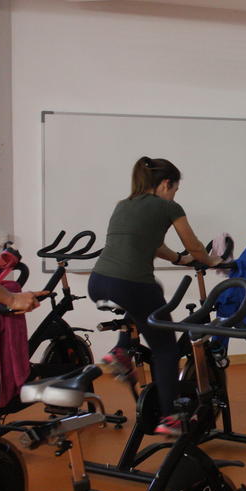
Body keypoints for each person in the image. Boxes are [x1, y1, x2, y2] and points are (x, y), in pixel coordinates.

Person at [88, 156, 221, 436]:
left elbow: (152, 243)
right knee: (165, 349)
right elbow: (194, 244)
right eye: (173, 189)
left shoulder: (123, 205)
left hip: (99, 282)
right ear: (165, 184)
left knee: (151, 296)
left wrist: (177, 259)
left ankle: (122, 350)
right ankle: (170, 417)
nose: (173, 195)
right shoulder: (168, 206)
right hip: (131, 284)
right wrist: (210, 261)